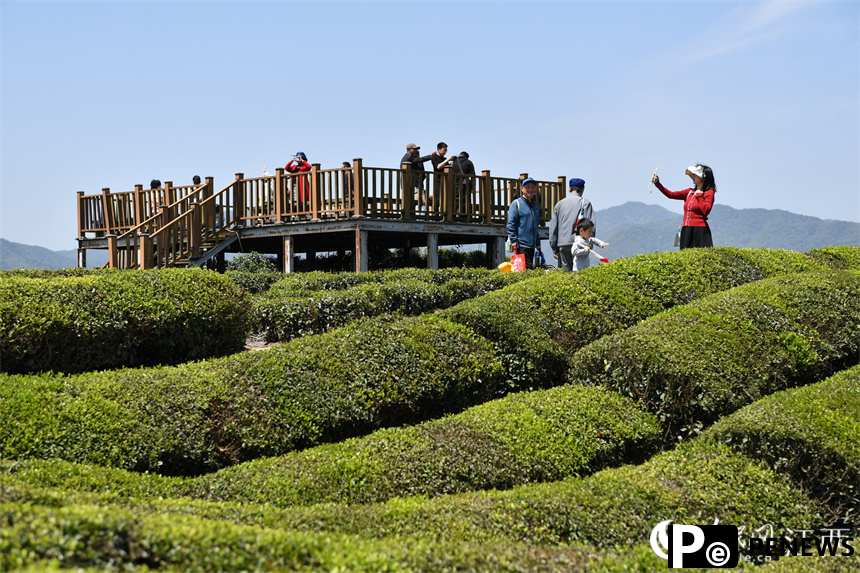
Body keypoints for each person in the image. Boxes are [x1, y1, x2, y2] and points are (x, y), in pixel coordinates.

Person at [651, 164, 716, 249]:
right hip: (686, 230)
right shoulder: (689, 192)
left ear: (704, 177)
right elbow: (670, 194)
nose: (693, 176)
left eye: (695, 174)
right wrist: (657, 183)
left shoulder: (709, 193)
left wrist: (699, 195)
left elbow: (706, 210)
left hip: (700, 231)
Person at [549, 177, 593, 271]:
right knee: (580, 274)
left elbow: (553, 227)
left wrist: (554, 246)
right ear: (582, 189)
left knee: (566, 276)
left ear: (569, 189)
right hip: (580, 244)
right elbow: (589, 225)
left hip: (563, 243)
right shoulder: (585, 203)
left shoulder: (559, 204)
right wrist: (590, 243)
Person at [506, 177, 542, 269]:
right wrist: (514, 240)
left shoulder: (535, 206)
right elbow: (510, 224)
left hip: (532, 245)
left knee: (528, 269)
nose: (530, 189)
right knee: (523, 270)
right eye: (527, 187)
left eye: (533, 187)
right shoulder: (516, 203)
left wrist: (538, 242)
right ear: (522, 188)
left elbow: (535, 226)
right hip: (520, 244)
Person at [400, 143, 434, 209]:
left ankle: (410, 215)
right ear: (409, 149)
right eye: (414, 149)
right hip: (410, 183)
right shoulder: (408, 157)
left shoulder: (409, 157)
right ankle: (409, 215)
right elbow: (419, 160)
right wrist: (430, 156)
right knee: (414, 201)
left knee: (412, 201)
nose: (416, 151)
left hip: (411, 183)